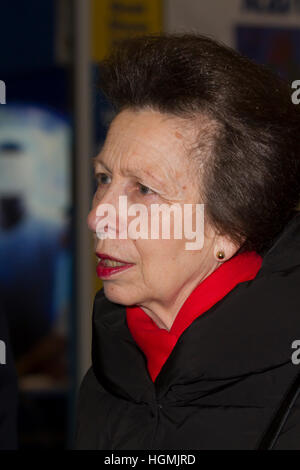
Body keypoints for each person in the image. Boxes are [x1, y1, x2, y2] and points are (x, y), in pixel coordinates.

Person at [76, 33, 300, 450]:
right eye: (104, 178)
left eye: (144, 189)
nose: (97, 216)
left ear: (227, 229)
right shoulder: (110, 375)